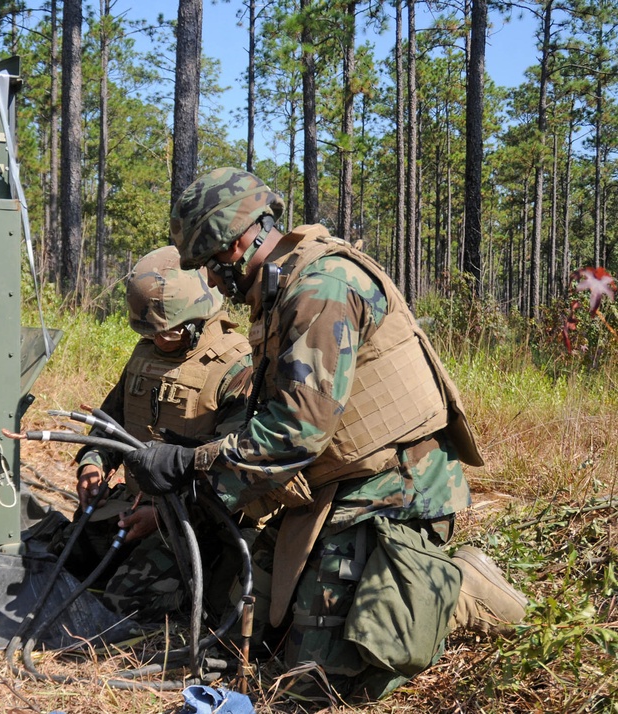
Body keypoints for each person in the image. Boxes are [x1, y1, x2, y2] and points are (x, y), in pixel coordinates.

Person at [122, 168, 527, 700]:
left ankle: (456, 589)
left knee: (320, 684)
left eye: (215, 267)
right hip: (329, 484)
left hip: (392, 491)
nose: (214, 284)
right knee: (242, 640)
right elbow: (276, 414)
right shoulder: (282, 288)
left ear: (241, 241)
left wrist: (190, 466)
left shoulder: (320, 289)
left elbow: (296, 432)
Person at [66, 244, 252, 622]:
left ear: (196, 320)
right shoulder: (146, 352)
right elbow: (111, 421)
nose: (156, 340)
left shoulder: (237, 368)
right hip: (136, 508)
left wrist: (162, 515)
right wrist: (93, 463)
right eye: (149, 332)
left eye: (166, 333)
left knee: (120, 605)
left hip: (198, 520)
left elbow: (235, 471)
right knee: (62, 557)